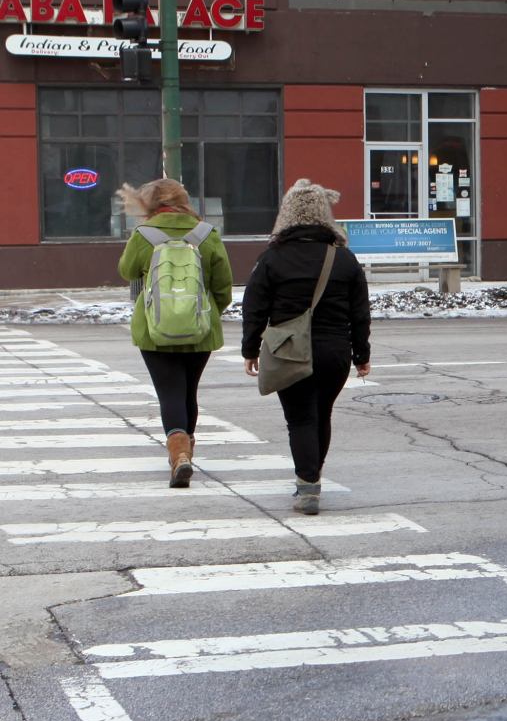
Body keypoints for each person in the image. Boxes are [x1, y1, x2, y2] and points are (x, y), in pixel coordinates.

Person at [241, 179, 371, 515]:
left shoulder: (272, 259)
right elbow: (360, 312)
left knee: (300, 418)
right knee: (322, 414)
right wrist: (362, 355)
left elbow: (254, 307)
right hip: (335, 352)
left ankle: (308, 484)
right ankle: (312, 476)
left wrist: (250, 349)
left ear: (287, 214)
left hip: (288, 350)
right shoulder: (344, 259)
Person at [117, 179, 233, 488]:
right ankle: (186, 452)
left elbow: (127, 271)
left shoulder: (144, 235)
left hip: (155, 330)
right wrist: (206, 314)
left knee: (168, 392)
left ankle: (178, 455)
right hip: (199, 331)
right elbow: (223, 287)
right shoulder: (207, 234)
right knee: (188, 391)